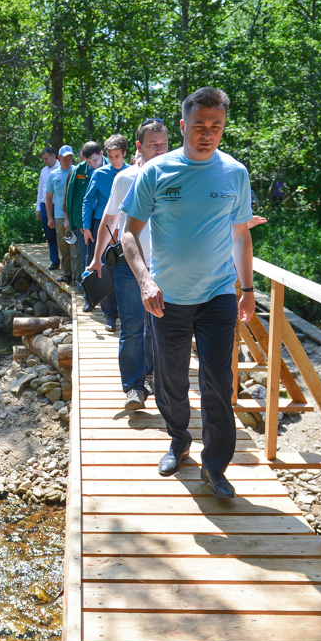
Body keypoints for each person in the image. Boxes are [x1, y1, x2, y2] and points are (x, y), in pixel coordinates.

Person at [121, 87, 255, 499]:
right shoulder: (156, 172)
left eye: (216, 126)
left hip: (217, 295)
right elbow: (129, 233)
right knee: (171, 380)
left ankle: (215, 467)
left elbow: (241, 236)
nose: (207, 134)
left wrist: (247, 288)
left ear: (224, 127)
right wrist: (145, 279)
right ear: (184, 126)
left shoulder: (234, 173)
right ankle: (178, 441)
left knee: (219, 382)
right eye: (199, 126)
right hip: (167, 297)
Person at [87, 119, 169, 409]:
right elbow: (109, 220)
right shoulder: (126, 179)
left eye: (164, 144)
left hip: (168, 267)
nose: (159, 150)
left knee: (159, 326)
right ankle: (134, 388)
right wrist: (96, 258)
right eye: (152, 145)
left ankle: (152, 376)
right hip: (128, 266)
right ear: (139, 147)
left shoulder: (179, 176)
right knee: (133, 326)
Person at [81, 134, 131, 330]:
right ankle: (109, 315)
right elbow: (87, 201)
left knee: (127, 271)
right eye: (110, 156)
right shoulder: (99, 174)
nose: (113, 160)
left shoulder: (134, 173)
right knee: (104, 269)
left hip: (127, 229)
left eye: (117, 156)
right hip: (104, 228)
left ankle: (127, 315)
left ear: (124, 154)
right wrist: (86, 227)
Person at [63, 142, 104, 292]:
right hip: (85, 222)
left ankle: (104, 290)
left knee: (105, 256)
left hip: (105, 220)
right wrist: (77, 223)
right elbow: (72, 198)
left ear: (101, 154)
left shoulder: (111, 167)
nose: (92, 164)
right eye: (88, 161)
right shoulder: (79, 171)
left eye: (94, 160)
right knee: (86, 255)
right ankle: (86, 290)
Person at [46, 145, 75, 281]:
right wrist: (49, 217)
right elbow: (49, 197)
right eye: (65, 157)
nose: (68, 160)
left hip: (74, 217)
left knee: (75, 247)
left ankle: (77, 276)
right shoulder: (53, 175)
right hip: (58, 216)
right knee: (63, 246)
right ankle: (67, 273)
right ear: (59, 158)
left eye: (70, 157)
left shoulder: (76, 172)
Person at [36, 147, 60, 270]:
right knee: (49, 233)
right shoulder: (43, 171)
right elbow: (40, 190)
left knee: (62, 233)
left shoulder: (62, 168)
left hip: (59, 205)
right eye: (43, 159)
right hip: (45, 204)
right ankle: (55, 260)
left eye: (46, 158)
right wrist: (38, 208)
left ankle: (66, 260)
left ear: (53, 156)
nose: (45, 161)